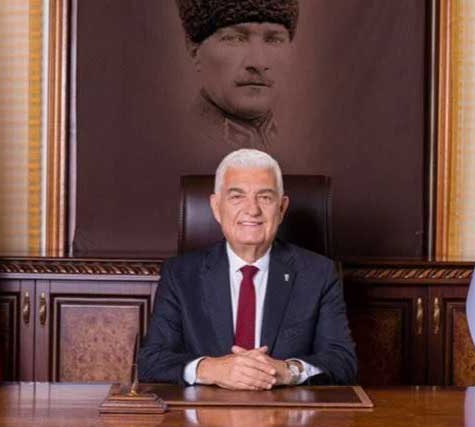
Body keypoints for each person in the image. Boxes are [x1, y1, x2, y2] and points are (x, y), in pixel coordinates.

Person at [138, 149, 357, 389]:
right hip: (205, 410)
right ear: (216, 207)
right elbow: (151, 362)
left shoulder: (318, 273)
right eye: (237, 196)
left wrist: (289, 371)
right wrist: (211, 369)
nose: (252, 210)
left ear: (282, 208)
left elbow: (343, 362)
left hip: (286, 409)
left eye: (265, 197)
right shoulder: (180, 274)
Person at [176, 0, 298, 151]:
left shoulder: (303, 146)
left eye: (274, 40)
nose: (258, 62)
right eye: (235, 38)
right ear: (194, 49)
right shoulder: (170, 147)